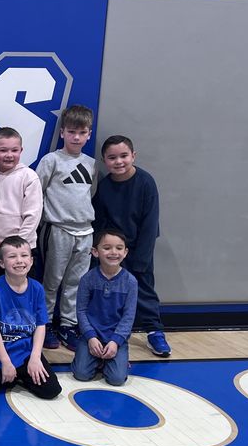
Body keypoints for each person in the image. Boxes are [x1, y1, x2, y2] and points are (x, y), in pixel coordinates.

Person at [92, 135, 170, 357]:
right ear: (104, 161)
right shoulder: (105, 187)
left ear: (133, 156)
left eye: (124, 156)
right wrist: (103, 250)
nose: (119, 161)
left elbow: (150, 222)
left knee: (144, 290)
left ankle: (154, 331)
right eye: (112, 157)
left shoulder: (146, 182)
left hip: (139, 249)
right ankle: (107, 332)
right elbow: (100, 221)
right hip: (112, 249)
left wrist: (141, 259)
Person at [0, 236, 61, 399]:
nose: (19, 261)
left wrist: (35, 357)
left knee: (51, 390)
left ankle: (20, 374)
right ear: (2, 263)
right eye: (12, 256)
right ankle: (12, 372)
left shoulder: (37, 289)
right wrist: (5, 362)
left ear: (32, 260)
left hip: (26, 351)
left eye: (24, 255)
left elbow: (41, 326)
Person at [36, 105, 96, 351]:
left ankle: (68, 325)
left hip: (85, 232)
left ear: (89, 135)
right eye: (72, 132)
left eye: (82, 133)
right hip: (57, 229)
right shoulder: (51, 160)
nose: (76, 137)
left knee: (76, 282)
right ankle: (47, 323)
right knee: (52, 281)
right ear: (62, 132)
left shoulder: (92, 164)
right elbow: (36, 191)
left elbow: (91, 194)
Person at [72, 230, 138, 386]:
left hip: (115, 338)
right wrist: (90, 337)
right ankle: (97, 359)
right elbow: (81, 311)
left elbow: (128, 317)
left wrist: (116, 341)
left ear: (125, 252)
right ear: (95, 252)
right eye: (107, 248)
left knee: (116, 379)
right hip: (91, 337)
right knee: (81, 374)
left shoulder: (130, 282)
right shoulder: (87, 279)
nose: (113, 252)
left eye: (119, 248)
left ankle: (116, 360)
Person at [0, 127, 43, 254]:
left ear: (21, 150)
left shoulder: (29, 176)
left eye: (14, 150)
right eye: (3, 150)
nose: (9, 155)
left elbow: (33, 216)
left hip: (23, 249)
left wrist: (17, 245)